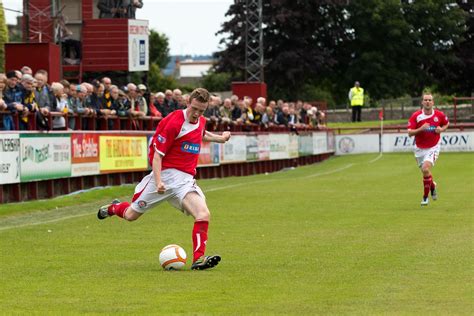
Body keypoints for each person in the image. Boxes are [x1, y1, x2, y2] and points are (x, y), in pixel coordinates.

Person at [97, 88, 231, 270]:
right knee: (131, 215)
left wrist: (220, 139)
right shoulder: (174, 122)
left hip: (184, 181)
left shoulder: (200, 121)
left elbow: (201, 133)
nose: (197, 114)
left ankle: (198, 259)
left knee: (203, 214)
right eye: (194, 109)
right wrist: (159, 181)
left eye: (201, 110)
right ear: (188, 102)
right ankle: (113, 208)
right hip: (165, 177)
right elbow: (158, 156)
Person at [407, 90, 449, 206]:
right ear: (422, 102)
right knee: (425, 172)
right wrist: (421, 129)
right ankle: (433, 186)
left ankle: (425, 197)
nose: (427, 102)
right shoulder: (416, 116)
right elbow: (410, 133)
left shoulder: (439, 115)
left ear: (433, 102)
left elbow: (446, 123)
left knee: (425, 169)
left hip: (433, 147)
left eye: (429, 100)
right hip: (419, 149)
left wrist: (442, 129)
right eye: (425, 100)